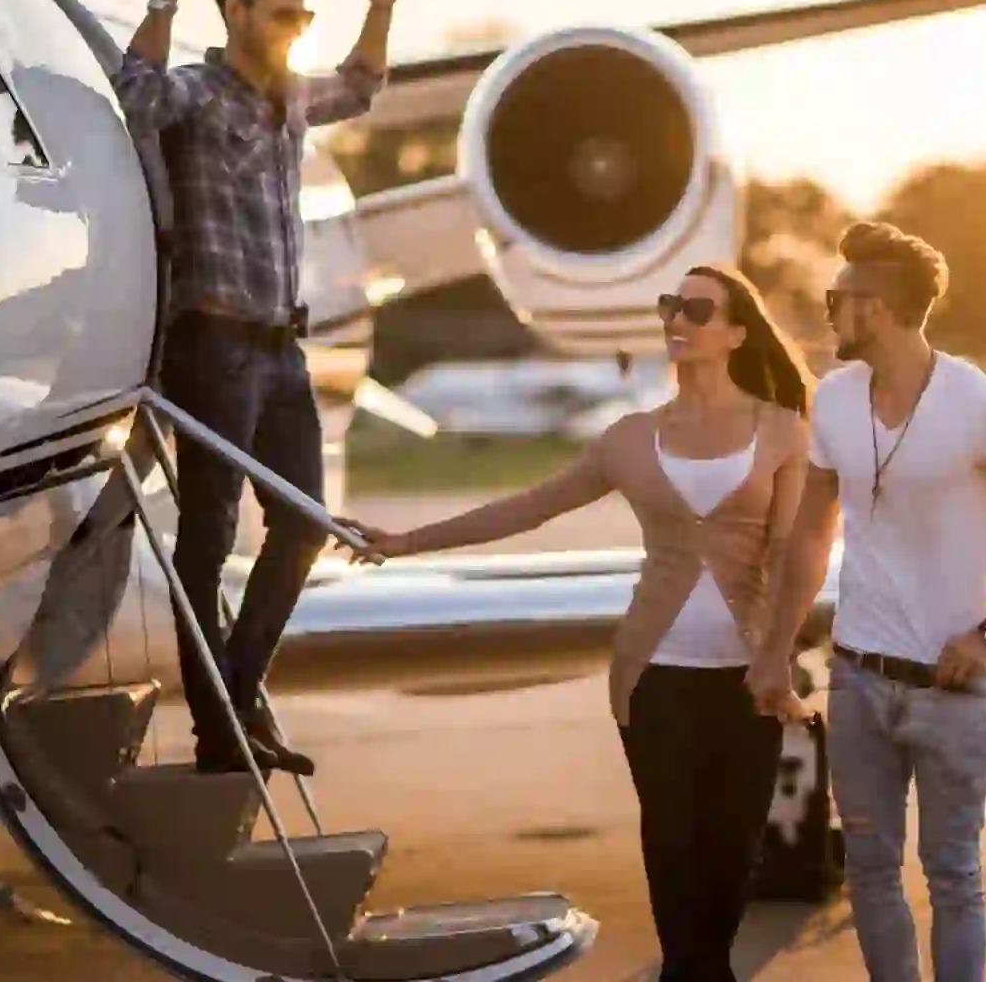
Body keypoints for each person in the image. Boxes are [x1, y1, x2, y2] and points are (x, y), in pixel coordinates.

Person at [345, 267, 815, 982]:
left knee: (732, 849)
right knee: (672, 843)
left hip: (745, 678)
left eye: (696, 308)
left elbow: (789, 557)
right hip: (653, 675)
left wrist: (776, 656)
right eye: (669, 306)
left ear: (736, 332)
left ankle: (700, 969)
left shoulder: (782, 431)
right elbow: (529, 507)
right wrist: (409, 542)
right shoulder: (630, 437)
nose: (676, 320)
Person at [746, 221, 986, 982]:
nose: (828, 312)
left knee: (954, 875)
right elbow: (808, 537)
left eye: (839, 299)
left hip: (952, 686)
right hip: (858, 680)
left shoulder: (981, 405)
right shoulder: (833, 401)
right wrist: (774, 653)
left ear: (881, 309)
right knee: (869, 869)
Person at [112, 0, 402, 775]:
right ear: (236, 12)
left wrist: (380, 4)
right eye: (282, 14)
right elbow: (134, 95)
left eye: (303, 17)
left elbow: (361, 85)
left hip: (282, 350)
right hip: (214, 345)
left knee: (305, 522)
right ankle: (222, 728)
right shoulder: (197, 93)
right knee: (209, 535)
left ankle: (233, 701)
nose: (294, 29)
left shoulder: (290, 98)